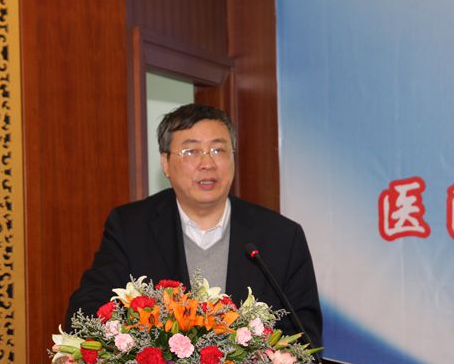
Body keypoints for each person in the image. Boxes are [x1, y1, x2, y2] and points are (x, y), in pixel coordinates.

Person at [65, 103, 322, 348]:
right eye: (191, 151)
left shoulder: (281, 237)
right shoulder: (131, 228)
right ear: (165, 163)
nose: (207, 163)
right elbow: (88, 310)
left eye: (218, 150)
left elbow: (305, 339)